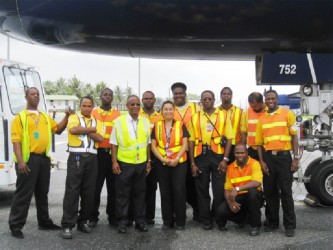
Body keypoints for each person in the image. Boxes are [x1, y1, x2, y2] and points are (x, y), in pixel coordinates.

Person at [9, 87, 71, 239]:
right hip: (28, 159)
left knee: (42, 192)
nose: (36, 96)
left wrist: (67, 116)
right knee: (24, 193)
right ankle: (16, 225)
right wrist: (21, 162)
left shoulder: (44, 116)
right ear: (26, 97)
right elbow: (16, 141)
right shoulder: (20, 118)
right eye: (32, 94)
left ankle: (44, 221)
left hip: (43, 159)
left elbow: (57, 129)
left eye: (37, 94)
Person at [256, 89, 299, 237]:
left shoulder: (288, 114)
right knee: (270, 192)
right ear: (265, 101)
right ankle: (273, 222)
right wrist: (261, 161)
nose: (270, 101)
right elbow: (259, 144)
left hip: (284, 158)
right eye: (268, 99)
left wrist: (296, 158)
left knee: (286, 193)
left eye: (273, 98)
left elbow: (294, 137)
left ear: (277, 99)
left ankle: (290, 226)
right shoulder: (261, 119)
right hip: (268, 158)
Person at [188, 90, 233, 230]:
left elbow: (230, 138)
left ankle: (219, 218)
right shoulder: (194, 117)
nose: (207, 101)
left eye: (209, 98)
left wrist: (225, 159)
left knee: (219, 190)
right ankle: (206, 219)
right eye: (204, 99)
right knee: (202, 190)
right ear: (201, 101)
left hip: (218, 156)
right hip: (201, 156)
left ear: (214, 100)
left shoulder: (223, 115)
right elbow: (190, 141)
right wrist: (192, 163)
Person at [61, 96, 103, 239]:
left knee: (89, 192)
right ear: (80, 106)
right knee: (72, 191)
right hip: (76, 157)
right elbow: (73, 130)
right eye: (84, 105)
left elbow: (100, 138)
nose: (86, 108)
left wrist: (84, 130)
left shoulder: (97, 121)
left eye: (89, 106)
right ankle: (67, 225)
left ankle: (83, 220)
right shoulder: (74, 117)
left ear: (93, 107)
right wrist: (91, 129)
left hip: (92, 158)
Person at [110, 95, 151, 234]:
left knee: (140, 193)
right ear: (127, 106)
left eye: (137, 104)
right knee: (123, 194)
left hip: (141, 163)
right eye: (132, 104)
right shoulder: (118, 122)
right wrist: (114, 162)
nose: (135, 106)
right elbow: (114, 144)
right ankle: (122, 222)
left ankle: (140, 221)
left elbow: (148, 143)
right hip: (124, 163)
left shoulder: (145, 121)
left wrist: (149, 161)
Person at [151, 101, 189, 230]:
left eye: (170, 109)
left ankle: (180, 221)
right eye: (165, 109)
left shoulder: (181, 125)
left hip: (179, 162)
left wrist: (177, 158)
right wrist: (162, 159)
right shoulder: (157, 126)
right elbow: (153, 145)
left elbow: (185, 144)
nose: (168, 112)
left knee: (179, 191)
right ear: (162, 111)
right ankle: (167, 221)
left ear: (174, 111)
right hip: (162, 163)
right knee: (165, 192)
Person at [216, 143, 264, 236]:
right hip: (239, 197)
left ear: (247, 153)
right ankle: (245, 219)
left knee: (253, 193)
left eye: (242, 153)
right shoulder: (230, 167)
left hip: (254, 197)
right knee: (220, 211)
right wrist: (231, 203)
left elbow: (257, 182)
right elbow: (227, 189)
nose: (240, 155)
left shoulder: (255, 163)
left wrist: (238, 188)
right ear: (234, 154)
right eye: (237, 153)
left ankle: (255, 225)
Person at [89, 88, 121, 228]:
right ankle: (92, 217)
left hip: (113, 154)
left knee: (113, 188)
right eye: (105, 95)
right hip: (97, 154)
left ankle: (112, 216)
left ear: (112, 98)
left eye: (110, 95)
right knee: (95, 187)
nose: (107, 97)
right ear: (100, 97)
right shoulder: (93, 113)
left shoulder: (118, 114)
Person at [171, 82, 200, 221]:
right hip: (177, 154)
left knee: (195, 184)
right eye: (176, 94)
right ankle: (179, 212)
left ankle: (197, 210)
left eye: (180, 93)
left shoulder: (195, 107)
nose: (178, 96)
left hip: (194, 151)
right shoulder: (169, 109)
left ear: (185, 94)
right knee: (178, 185)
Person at [140, 91, 163, 225]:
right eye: (146, 98)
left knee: (152, 187)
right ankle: (139, 215)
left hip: (156, 155)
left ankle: (149, 216)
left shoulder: (160, 117)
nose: (148, 100)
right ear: (143, 100)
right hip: (139, 154)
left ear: (154, 100)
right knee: (139, 186)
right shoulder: (137, 114)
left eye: (150, 98)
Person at [240, 92, 267, 160]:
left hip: (267, 150)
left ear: (261, 102)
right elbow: (244, 133)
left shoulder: (269, 111)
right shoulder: (246, 113)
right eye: (251, 106)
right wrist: (243, 149)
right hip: (253, 150)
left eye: (255, 106)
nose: (253, 108)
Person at [219, 87, 242, 164]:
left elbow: (243, 131)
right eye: (224, 94)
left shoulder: (240, 111)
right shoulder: (215, 111)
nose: (226, 95)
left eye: (228, 94)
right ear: (220, 96)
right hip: (219, 145)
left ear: (231, 96)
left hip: (235, 146)